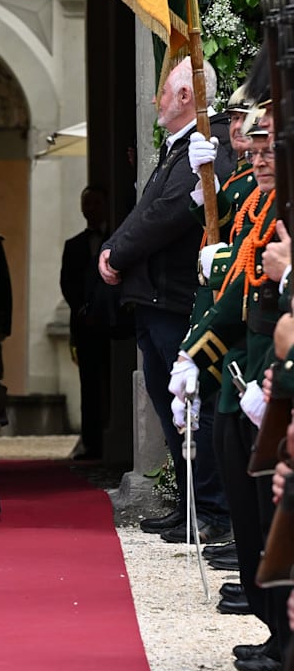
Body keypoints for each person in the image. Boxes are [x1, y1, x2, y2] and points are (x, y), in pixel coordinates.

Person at [99, 56, 234, 542]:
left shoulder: (206, 143)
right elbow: (146, 210)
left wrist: (117, 251)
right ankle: (193, 505)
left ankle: (214, 511)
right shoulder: (177, 146)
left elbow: (169, 215)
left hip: (176, 297)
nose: (155, 99)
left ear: (184, 97)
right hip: (154, 296)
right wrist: (113, 246)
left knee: (194, 408)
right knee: (172, 409)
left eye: (163, 90)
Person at [61, 185, 116, 461]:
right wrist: (82, 310)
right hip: (83, 326)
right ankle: (92, 443)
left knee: (112, 383)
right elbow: (67, 285)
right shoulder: (73, 246)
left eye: (96, 203)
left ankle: (115, 438)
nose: (91, 209)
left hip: (113, 326)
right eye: (87, 204)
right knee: (88, 385)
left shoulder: (117, 239)